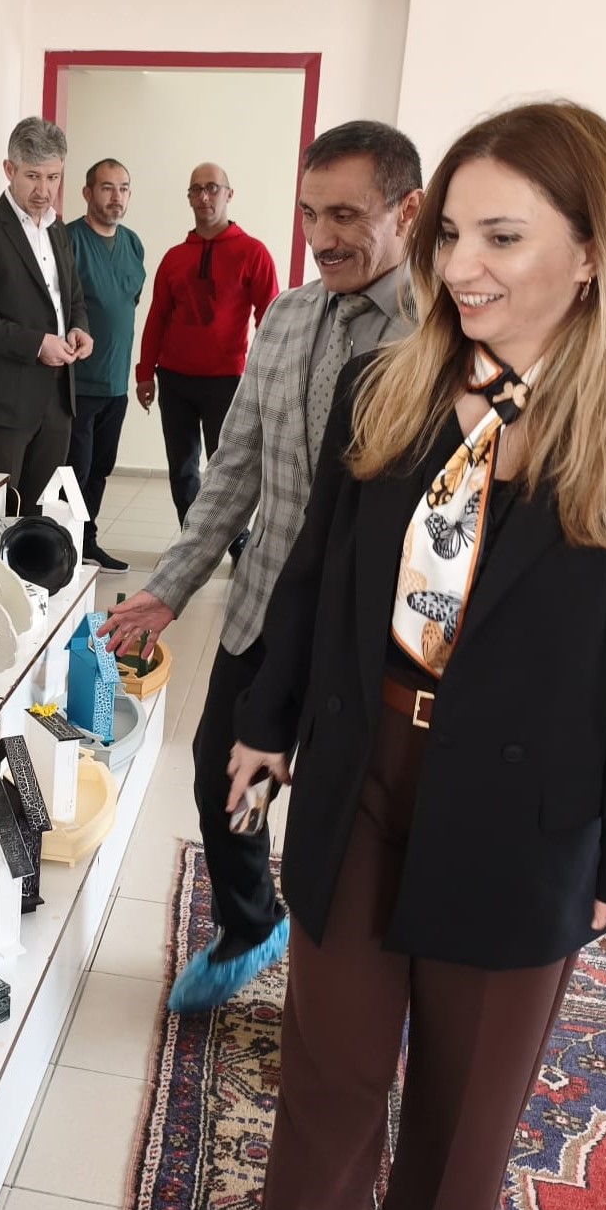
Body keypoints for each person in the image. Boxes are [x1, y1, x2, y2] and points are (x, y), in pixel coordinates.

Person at [222, 100, 606, 1210]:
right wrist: (266, 719)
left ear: (591, 252)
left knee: (467, 1097)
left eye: (502, 237)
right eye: (450, 233)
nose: (459, 267)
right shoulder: (384, 388)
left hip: (528, 812)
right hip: (367, 771)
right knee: (330, 1081)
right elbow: (313, 573)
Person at [102, 121, 424, 1013]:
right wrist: (170, 586)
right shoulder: (285, 319)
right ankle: (252, 922)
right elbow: (236, 466)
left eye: (347, 215)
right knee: (226, 777)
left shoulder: (439, 335)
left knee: (345, 821)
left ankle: (350, 989)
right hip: (267, 610)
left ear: (409, 211)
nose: (322, 238)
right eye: (310, 214)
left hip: (375, 637)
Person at [0, 117, 93, 514]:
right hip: (1, 405)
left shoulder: (59, 230)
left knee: (37, 520)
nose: (44, 191)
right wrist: (36, 345)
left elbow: (72, 298)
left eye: (53, 177)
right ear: (9, 169)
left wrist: (79, 327)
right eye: (32, 176)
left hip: (58, 401)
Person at [134, 163, 278, 552]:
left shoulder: (253, 253)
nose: (204, 196)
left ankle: (235, 539)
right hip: (174, 380)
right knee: (182, 467)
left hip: (227, 382)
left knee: (228, 467)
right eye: (196, 189)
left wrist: (263, 376)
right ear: (189, 198)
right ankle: (193, 538)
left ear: (229, 194)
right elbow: (156, 317)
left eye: (212, 188)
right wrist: (145, 373)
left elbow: (269, 318)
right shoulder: (174, 258)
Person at [67, 158, 146, 573]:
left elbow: (126, 304)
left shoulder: (133, 244)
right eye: (107, 187)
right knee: (74, 471)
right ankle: (65, 543)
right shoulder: (69, 241)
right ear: (87, 193)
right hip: (78, 382)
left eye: (124, 188)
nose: (117, 197)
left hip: (116, 382)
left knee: (101, 468)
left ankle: (88, 540)